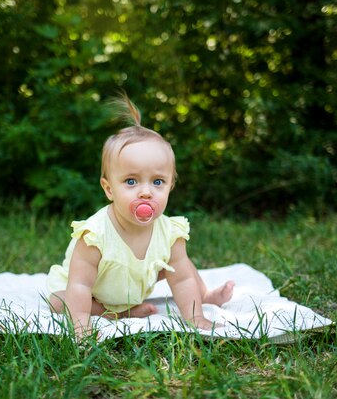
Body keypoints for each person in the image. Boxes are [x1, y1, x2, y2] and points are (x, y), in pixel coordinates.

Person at [47, 94, 234, 339]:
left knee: (181, 267)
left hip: (136, 279)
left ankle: (204, 297)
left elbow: (183, 278)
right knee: (58, 301)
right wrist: (81, 326)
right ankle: (115, 313)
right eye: (131, 181)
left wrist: (195, 316)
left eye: (157, 182)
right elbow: (80, 284)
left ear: (171, 186)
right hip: (93, 290)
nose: (145, 192)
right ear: (109, 188)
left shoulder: (170, 232)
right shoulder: (94, 235)